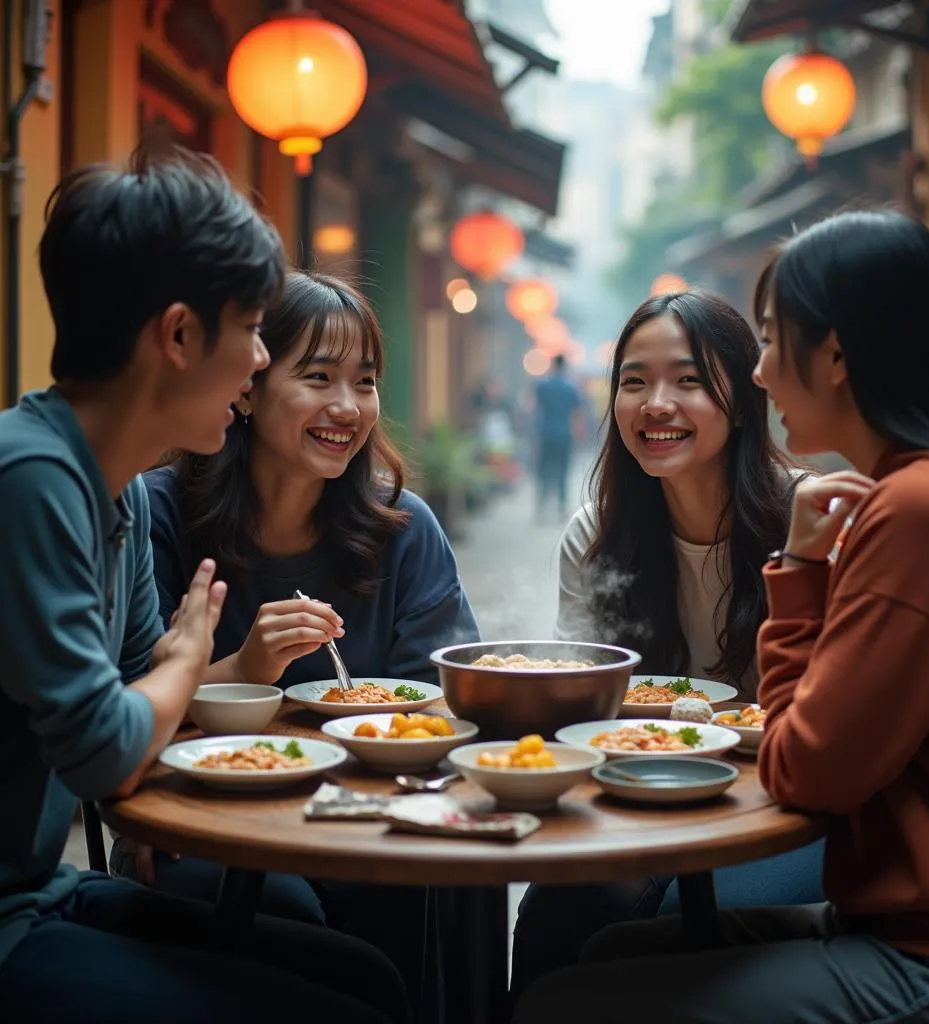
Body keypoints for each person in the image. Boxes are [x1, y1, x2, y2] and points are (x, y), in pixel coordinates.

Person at [512, 210, 929, 1023]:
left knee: (563, 1006)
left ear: (838, 355)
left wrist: (795, 573)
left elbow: (807, 770)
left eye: (774, 342)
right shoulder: (921, 497)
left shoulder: (918, 512)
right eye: (634, 381)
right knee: (590, 944)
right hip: (896, 918)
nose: (761, 374)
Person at [0, 148, 411, 1023]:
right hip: (10, 923)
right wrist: (187, 663)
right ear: (180, 336)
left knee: (369, 979)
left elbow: (146, 700)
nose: (260, 360)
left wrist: (190, 667)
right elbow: (110, 749)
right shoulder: (31, 482)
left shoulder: (107, 488)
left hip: (40, 892)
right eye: (255, 330)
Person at [109, 270, 479, 1019]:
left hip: (374, 818)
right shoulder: (158, 514)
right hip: (208, 824)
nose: (348, 407)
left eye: (365, 381)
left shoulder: (402, 530)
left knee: (427, 886)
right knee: (287, 910)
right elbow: (115, 712)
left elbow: (444, 705)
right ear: (247, 386)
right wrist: (247, 668)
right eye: (317, 377)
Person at [511, 289, 822, 1003]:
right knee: (556, 914)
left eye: (687, 380)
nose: (656, 404)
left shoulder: (806, 520)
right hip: (644, 796)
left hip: (783, 812)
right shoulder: (595, 536)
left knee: (667, 922)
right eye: (634, 381)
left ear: (743, 400)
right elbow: (579, 704)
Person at [534, 353, 583, 519]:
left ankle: (541, 506)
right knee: (563, 470)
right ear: (565, 366)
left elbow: (536, 408)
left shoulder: (543, 386)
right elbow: (577, 413)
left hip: (546, 433)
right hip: (564, 434)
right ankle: (561, 508)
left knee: (544, 469)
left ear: (553, 365)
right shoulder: (571, 388)